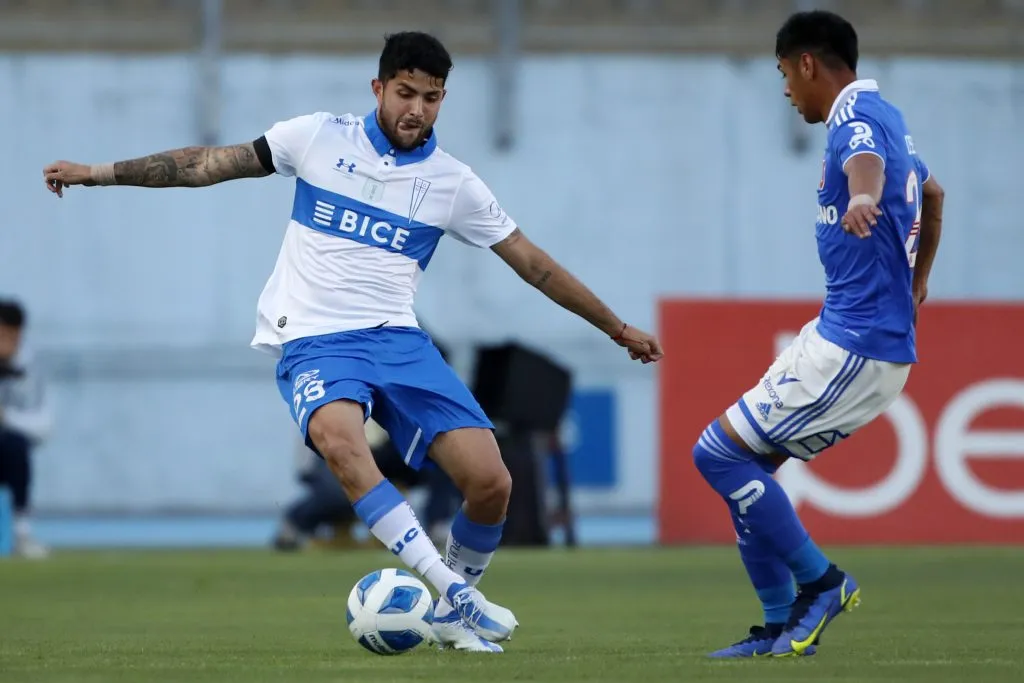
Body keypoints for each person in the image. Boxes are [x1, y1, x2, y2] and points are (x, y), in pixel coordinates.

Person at [43, 31, 662, 652]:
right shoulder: (316, 137)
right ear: (378, 88)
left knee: (492, 482)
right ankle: (452, 589)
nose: (416, 109)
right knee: (341, 444)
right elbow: (206, 164)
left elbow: (534, 264)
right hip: (315, 339)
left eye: (432, 97)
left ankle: (452, 613)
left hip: (398, 340)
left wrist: (616, 327)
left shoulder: (453, 184)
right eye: (405, 93)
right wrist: (96, 173)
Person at [694, 11, 944, 658]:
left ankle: (823, 581)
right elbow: (935, 194)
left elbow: (865, 163)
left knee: (717, 455)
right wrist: (918, 282)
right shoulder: (890, 115)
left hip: (855, 346)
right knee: (750, 470)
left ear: (808, 63)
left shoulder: (854, 121)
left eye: (784, 73)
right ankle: (780, 624)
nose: (785, 90)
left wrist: (863, 196)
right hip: (845, 332)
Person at [0, 299, 54, 559]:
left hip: (7, 452)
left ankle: (22, 535)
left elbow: (44, 428)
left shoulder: (32, 369)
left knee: (15, 447)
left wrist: (6, 417)